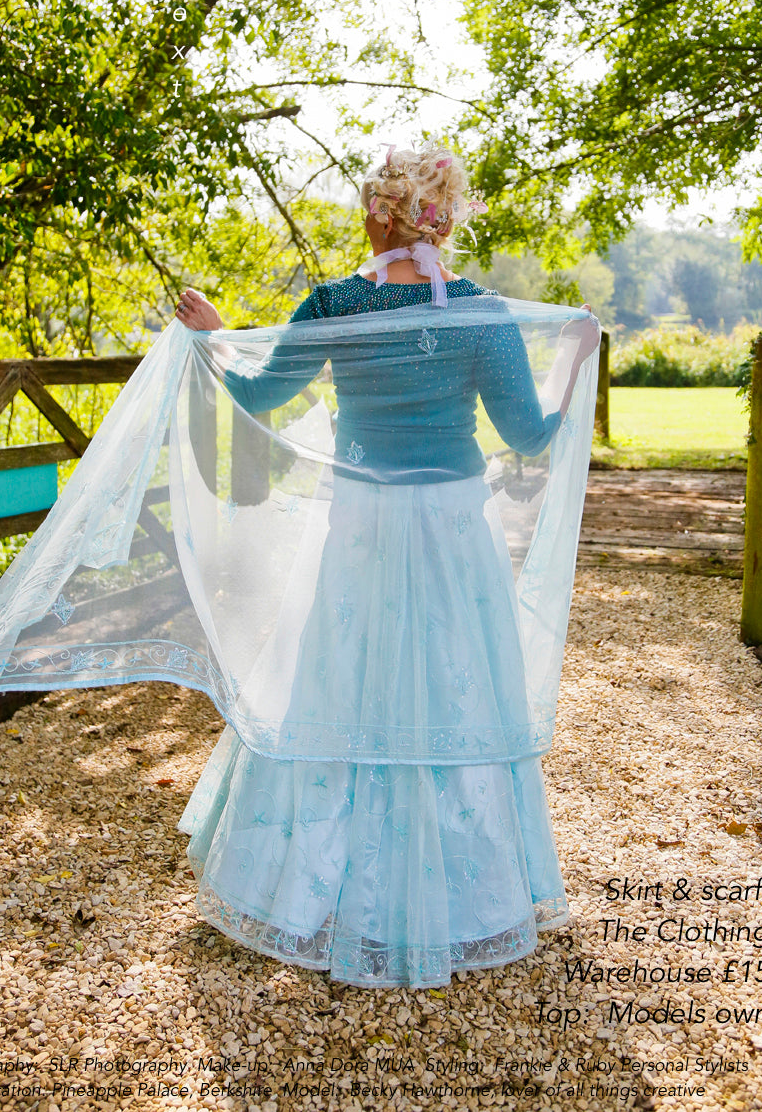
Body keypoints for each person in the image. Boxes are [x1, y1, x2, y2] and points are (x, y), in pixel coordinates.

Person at [172, 144, 599, 987]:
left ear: (380, 214)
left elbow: (257, 398)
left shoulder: (334, 303)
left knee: (343, 681)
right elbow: (527, 437)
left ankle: (309, 889)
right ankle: (465, 896)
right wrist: (570, 360)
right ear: (443, 217)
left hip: (361, 530)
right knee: (454, 685)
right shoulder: (478, 313)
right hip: (450, 534)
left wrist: (217, 336)